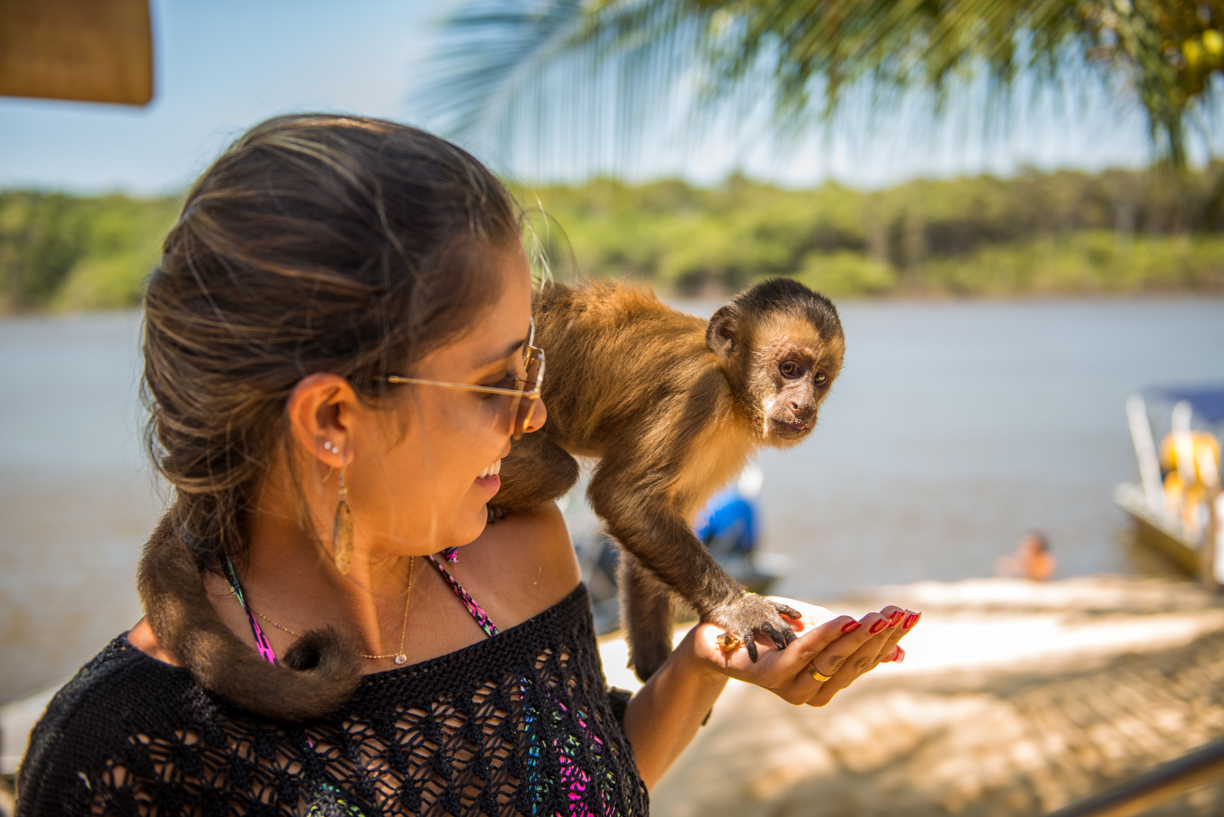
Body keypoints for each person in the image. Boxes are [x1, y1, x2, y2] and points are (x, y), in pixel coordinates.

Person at [16, 115, 916, 816]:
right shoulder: (118, 753)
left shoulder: (526, 555)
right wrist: (721, 593)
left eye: (533, 368)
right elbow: (633, 500)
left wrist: (700, 658)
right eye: (498, 383)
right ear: (334, 417)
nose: (534, 416)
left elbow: (584, 786)